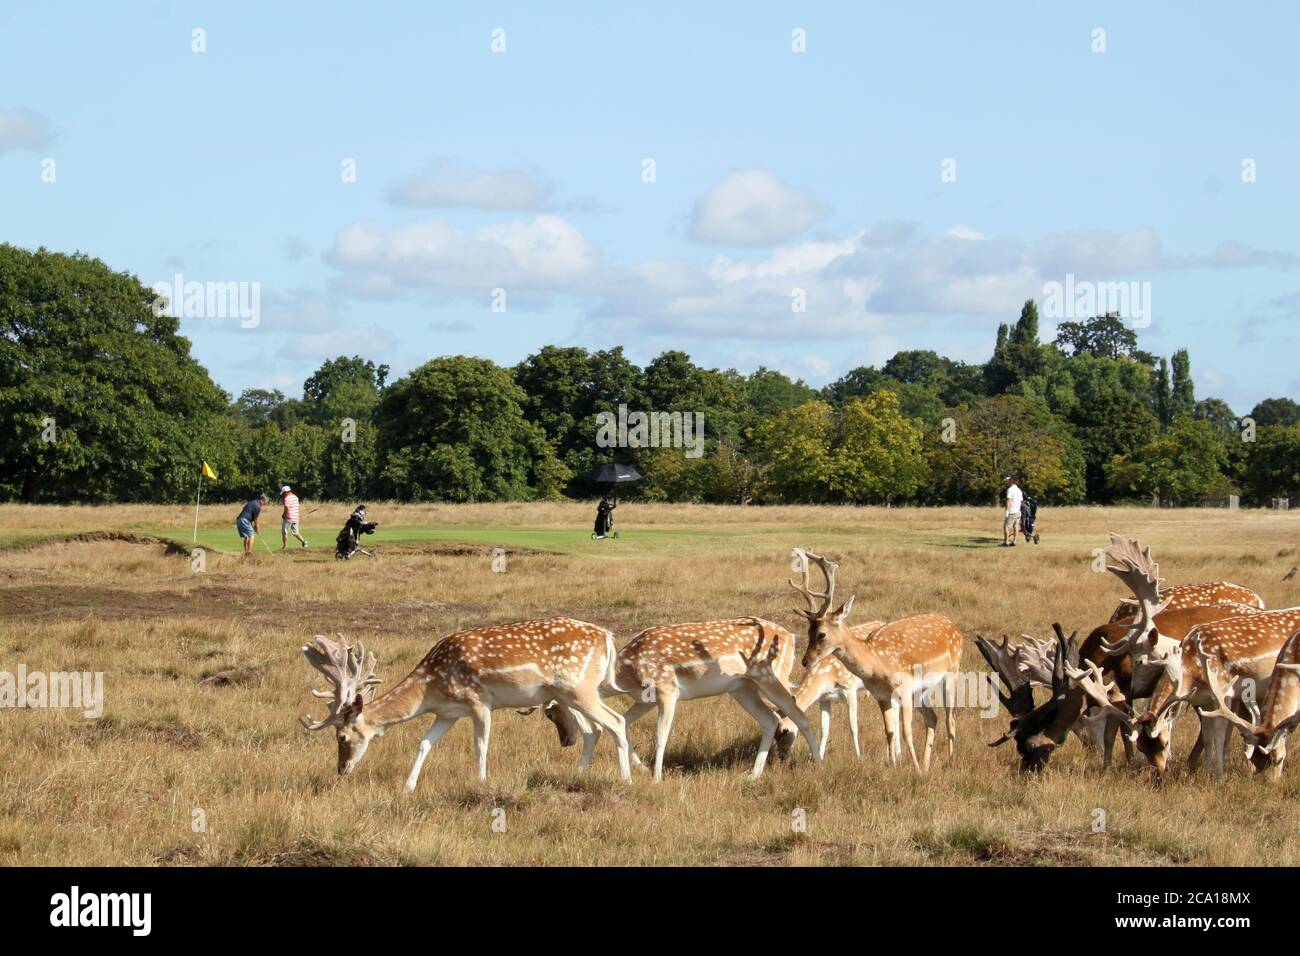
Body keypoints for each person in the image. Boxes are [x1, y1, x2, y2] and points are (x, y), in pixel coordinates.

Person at [280, 485, 308, 549]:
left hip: (288, 517)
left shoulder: (287, 498)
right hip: (295, 517)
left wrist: (284, 514)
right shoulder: (295, 497)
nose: (283, 495)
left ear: (286, 492)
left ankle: (285, 546)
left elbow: (287, 507)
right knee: (296, 533)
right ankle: (304, 542)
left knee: (285, 532)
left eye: (283, 493)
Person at [1002, 476, 1023, 547]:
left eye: (1009, 480)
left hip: (1012, 512)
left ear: (1012, 481)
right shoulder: (1019, 490)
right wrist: (1018, 510)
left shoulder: (1010, 490)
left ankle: (1006, 542)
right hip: (1018, 512)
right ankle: (1014, 541)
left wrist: (1007, 511)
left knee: (1006, 527)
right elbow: (1020, 502)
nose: (1008, 482)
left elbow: (1009, 501)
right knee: (1016, 526)